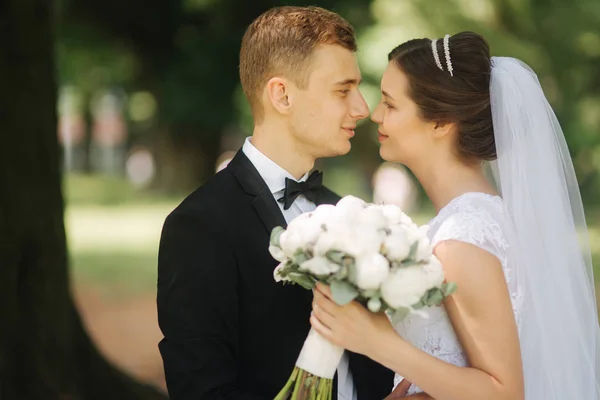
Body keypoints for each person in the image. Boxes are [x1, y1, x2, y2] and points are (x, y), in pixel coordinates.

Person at [311, 32, 600, 399]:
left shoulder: (463, 236)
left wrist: (376, 341)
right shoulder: (472, 218)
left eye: (390, 104)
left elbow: (503, 392)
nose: (375, 114)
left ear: (440, 122)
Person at [156, 6, 393, 400]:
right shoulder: (200, 225)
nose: (362, 109)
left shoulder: (353, 215)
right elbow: (201, 389)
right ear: (281, 95)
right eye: (342, 90)